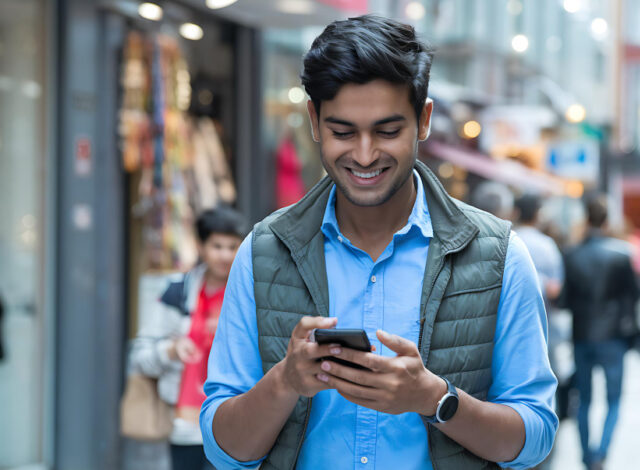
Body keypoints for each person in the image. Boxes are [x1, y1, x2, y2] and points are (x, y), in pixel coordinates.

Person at [200, 15, 557, 470]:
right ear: (314, 121)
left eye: (388, 132)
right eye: (343, 132)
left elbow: (535, 438)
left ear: (423, 120)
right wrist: (284, 381)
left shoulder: (498, 255)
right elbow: (223, 450)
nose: (365, 155)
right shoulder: (263, 252)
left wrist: (435, 399)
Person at [129, 207, 247, 470]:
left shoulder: (251, 295)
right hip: (184, 425)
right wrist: (171, 350)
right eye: (217, 246)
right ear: (200, 246)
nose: (225, 255)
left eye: (232, 246)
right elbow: (140, 356)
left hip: (234, 421)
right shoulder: (176, 293)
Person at [560, 196, 640, 470]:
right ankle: (601, 453)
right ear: (607, 221)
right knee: (614, 399)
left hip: (583, 334)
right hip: (613, 337)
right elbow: (636, 295)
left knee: (583, 399)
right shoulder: (622, 254)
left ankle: (587, 455)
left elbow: (564, 300)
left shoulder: (571, 254)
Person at [513, 194, 565, 470]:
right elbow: (557, 289)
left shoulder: (505, 240)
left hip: (508, 330)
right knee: (543, 394)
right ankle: (541, 456)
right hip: (545, 330)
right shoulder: (546, 246)